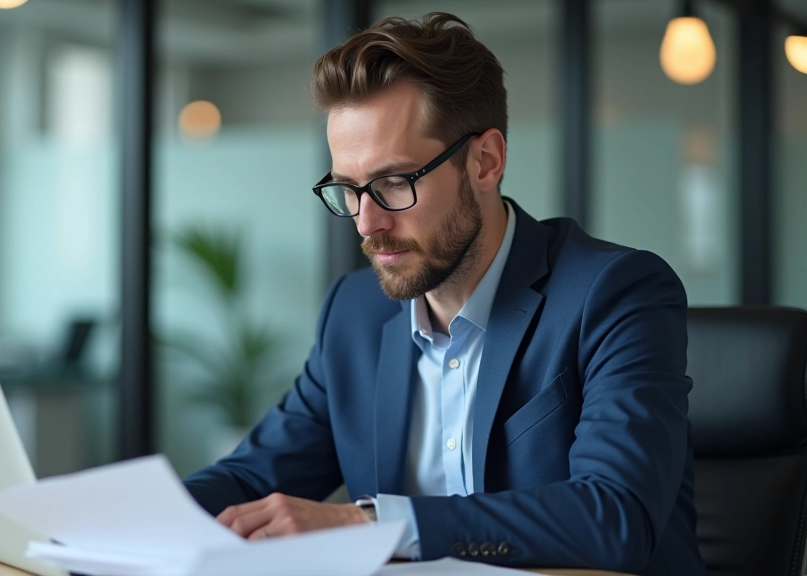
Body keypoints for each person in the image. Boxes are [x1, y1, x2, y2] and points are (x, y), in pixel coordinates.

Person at [183, 13, 703, 576]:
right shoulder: (353, 314)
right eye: (348, 190)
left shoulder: (615, 293)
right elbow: (251, 479)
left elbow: (615, 517)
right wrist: (122, 519)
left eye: (393, 183)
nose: (365, 222)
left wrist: (369, 525)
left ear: (485, 161)